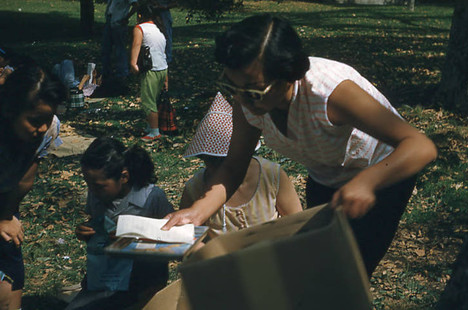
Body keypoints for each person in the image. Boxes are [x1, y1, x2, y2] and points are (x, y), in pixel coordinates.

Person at [162, 14, 438, 278]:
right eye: (231, 86)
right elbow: (234, 166)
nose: (241, 100)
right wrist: (196, 212)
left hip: (383, 177)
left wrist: (367, 181)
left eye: (252, 91)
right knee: (321, 269)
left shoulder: (330, 93)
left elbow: (419, 146)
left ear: (287, 76)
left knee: (351, 273)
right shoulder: (246, 100)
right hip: (326, 176)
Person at [66, 137, 174, 310]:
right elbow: (95, 223)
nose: (92, 190)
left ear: (124, 177)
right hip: (105, 277)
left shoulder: (152, 198)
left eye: (99, 186)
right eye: (88, 184)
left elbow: (172, 239)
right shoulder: (96, 193)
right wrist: (85, 231)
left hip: (143, 282)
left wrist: (135, 239)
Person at [180, 92, 302, 238]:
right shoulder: (196, 188)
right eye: (210, 160)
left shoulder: (272, 176)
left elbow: (297, 222)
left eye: (225, 160)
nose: (220, 168)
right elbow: (190, 239)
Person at [0, 65, 65, 310]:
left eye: (45, 121)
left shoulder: (48, 129)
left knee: (9, 249)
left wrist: (6, 215)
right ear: (9, 111)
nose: (40, 129)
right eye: (34, 121)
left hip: (4, 199)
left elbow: (25, 177)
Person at [130, 0, 169, 142]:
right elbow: (163, 53)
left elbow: (137, 45)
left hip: (151, 69)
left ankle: (154, 132)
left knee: (148, 101)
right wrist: (166, 79)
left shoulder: (140, 28)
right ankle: (151, 126)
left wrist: (133, 63)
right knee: (155, 99)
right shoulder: (160, 29)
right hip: (162, 68)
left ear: (140, 14)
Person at [100, 0, 138, 96]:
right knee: (106, 49)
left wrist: (126, 17)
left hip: (119, 22)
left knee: (120, 50)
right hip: (109, 20)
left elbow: (136, 5)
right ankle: (106, 73)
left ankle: (122, 74)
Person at [152, 0, 178, 64]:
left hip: (164, 14)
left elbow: (175, 3)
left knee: (166, 36)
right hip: (152, 14)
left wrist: (164, 7)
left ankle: (167, 58)